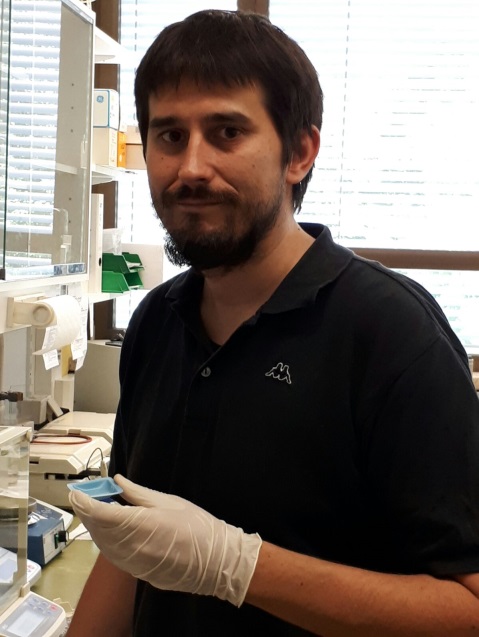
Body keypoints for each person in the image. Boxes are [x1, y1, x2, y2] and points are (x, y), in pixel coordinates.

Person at [67, 9, 479, 636]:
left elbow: (469, 608)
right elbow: (132, 550)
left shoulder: (391, 334)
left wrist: (238, 567)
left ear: (300, 153)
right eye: (170, 135)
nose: (191, 167)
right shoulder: (155, 322)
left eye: (227, 132)